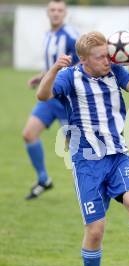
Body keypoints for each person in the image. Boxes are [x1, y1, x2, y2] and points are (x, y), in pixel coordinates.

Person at [36, 31, 129, 266]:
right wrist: (54, 70)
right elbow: (42, 95)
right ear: (84, 60)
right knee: (95, 230)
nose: (106, 61)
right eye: (100, 57)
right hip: (87, 163)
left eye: (108, 55)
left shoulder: (115, 71)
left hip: (117, 156)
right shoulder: (70, 77)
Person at [23, 0, 79, 200]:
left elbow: (79, 66)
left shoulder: (72, 36)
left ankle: (92, 187)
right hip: (49, 99)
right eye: (52, 10)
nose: (56, 13)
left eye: (60, 10)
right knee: (29, 134)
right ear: (48, 13)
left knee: (76, 150)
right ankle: (43, 179)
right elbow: (55, 65)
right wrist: (41, 77)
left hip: (66, 101)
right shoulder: (49, 35)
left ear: (66, 13)